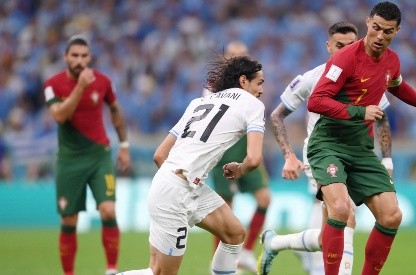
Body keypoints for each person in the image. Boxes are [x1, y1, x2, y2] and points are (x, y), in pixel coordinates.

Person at [261, 2, 416, 275]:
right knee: (341, 211)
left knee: (392, 215)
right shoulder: (343, 60)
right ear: (368, 23)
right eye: (376, 28)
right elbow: (316, 102)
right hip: (327, 145)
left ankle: (278, 244)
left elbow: (398, 87)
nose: (380, 36)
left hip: (360, 148)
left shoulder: (391, 60)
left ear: (397, 31)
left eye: (387, 31)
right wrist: (359, 111)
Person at [116, 55, 266, 275]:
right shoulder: (252, 105)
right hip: (177, 192)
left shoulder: (200, 102)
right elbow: (253, 159)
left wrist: (179, 183)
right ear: (243, 81)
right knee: (160, 273)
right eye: (259, 83)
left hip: (178, 183)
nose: (261, 90)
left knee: (234, 234)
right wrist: (240, 169)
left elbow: (160, 155)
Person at [265, 22, 393, 275]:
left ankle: (275, 242)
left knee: (330, 234)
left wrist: (387, 162)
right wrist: (288, 155)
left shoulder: (368, 75)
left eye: (351, 45)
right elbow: (277, 115)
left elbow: (382, 119)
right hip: (322, 153)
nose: (345, 50)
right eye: (339, 46)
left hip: (355, 154)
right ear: (328, 46)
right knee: (346, 217)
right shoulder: (312, 78)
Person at [44, 35, 131, 275]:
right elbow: (60, 116)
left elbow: (115, 111)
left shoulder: (103, 81)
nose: (80, 60)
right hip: (69, 160)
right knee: (68, 220)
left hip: (99, 156)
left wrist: (124, 145)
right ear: (65, 57)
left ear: (90, 57)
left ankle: (111, 270)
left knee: (108, 210)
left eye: (84, 56)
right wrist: (81, 86)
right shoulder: (53, 84)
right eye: (75, 55)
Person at [205, 41, 271, 273]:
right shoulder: (214, 90)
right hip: (224, 152)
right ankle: (219, 262)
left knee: (264, 199)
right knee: (226, 211)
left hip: (245, 149)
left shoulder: (251, 90)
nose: (235, 59)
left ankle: (247, 251)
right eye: (232, 56)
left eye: (240, 56)